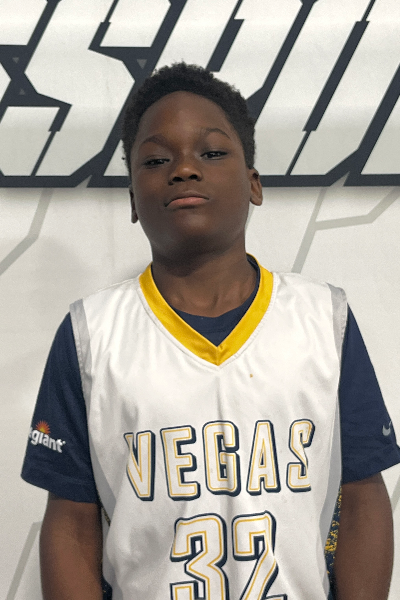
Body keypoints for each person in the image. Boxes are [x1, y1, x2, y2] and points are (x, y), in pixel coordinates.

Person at [22, 63, 400, 600]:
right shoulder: (92, 334)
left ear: (254, 183)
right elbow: (71, 523)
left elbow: (362, 496)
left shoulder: (323, 317)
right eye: (156, 160)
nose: (184, 169)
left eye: (212, 153)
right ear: (132, 199)